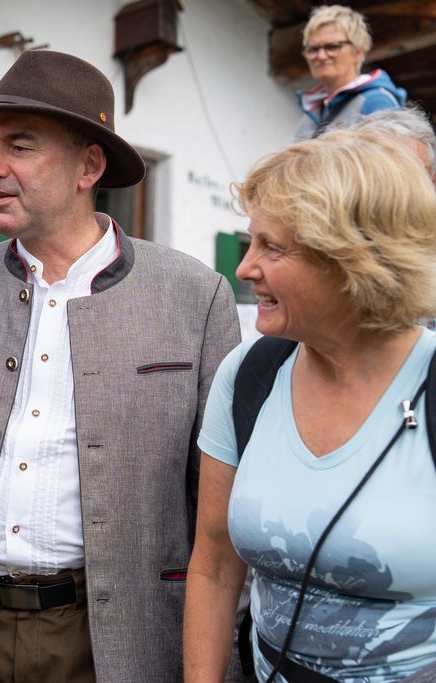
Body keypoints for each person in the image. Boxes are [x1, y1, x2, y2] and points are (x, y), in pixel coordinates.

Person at [0, 50, 241, 682]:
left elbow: (218, 498)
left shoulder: (193, 297)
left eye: (21, 147)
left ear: (88, 166)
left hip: (119, 640)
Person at [184, 132, 436, 681]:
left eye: (271, 247)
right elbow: (214, 561)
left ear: (354, 259)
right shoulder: (250, 374)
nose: (245, 268)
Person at [294, 4, 406, 140]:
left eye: (332, 46)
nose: (321, 56)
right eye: (313, 49)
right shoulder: (311, 115)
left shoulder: (377, 103)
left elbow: (389, 159)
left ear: (357, 53)